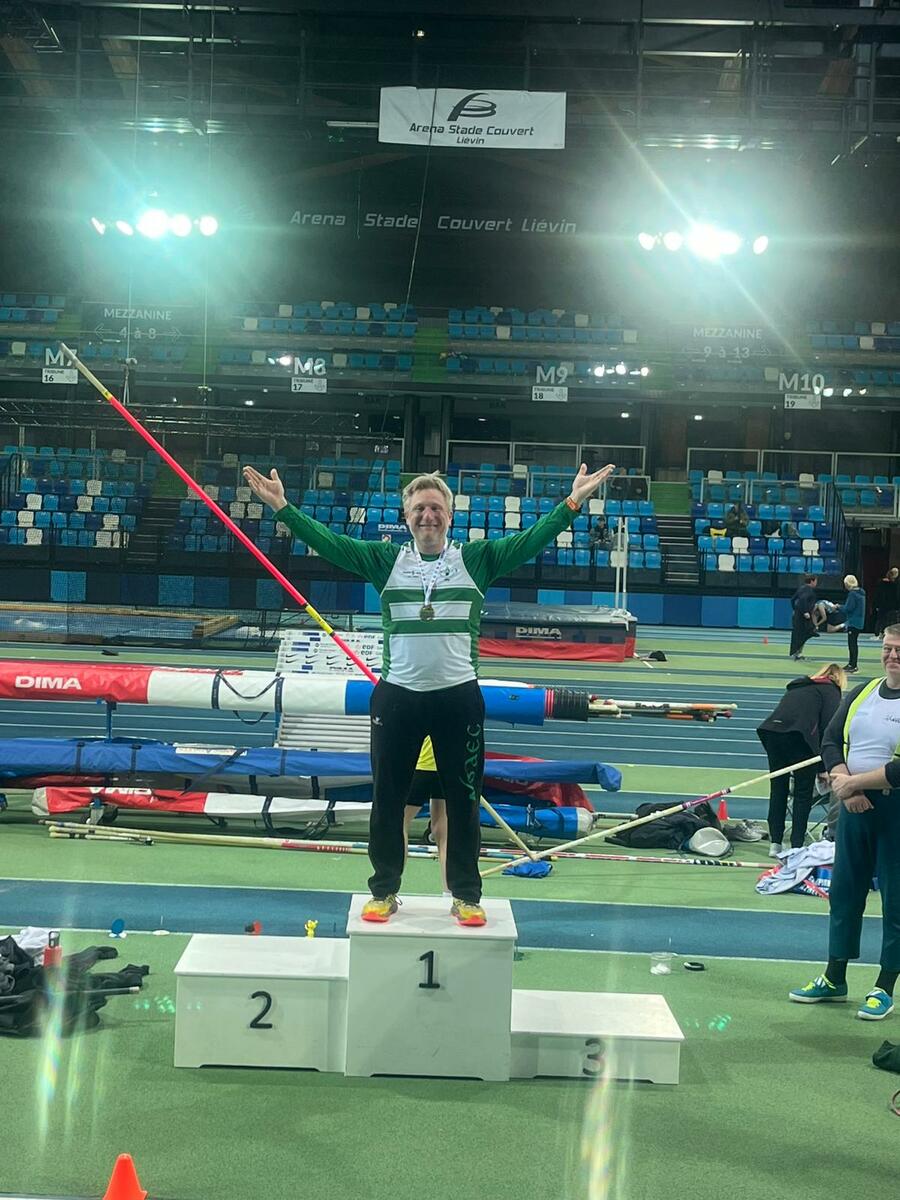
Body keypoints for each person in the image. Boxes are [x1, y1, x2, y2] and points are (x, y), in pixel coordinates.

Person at [243, 461, 614, 927]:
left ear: (450, 516)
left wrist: (572, 502)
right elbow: (330, 544)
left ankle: (466, 895)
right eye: (419, 508)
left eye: (436, 507)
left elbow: (531, 540)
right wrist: (282, 507)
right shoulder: (386, 561)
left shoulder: (476, 559)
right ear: (406, 516)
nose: (428, 515)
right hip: (397, 699)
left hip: (458, 700)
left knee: (463, 801)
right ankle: (384, 890)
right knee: (388, 800)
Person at [789, 625, 900, 1020]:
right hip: (854, 808)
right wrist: (846, 786)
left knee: (896, 901)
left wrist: (854, 783)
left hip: (895, 812)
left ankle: (884, 987)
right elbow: (830, 740)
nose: (892, 657)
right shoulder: (863, 692)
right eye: (888, 648)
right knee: (845, 893)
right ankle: (835, 977)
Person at [756, 663, 846, 857]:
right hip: (799, 738)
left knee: (778, 789)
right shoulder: (831, 691)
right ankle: (797, 844)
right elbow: (827, 727)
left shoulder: (799, 686)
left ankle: (775, 843)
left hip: (771, 732)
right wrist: (823, 768)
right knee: (803, 793)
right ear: (839, 679)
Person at [827, 574, 866, 674]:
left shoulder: (852, 594)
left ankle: (853, 665)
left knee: (852, 644)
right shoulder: (861, 592)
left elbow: (848, 608)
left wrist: (838, 606)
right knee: (854, 643)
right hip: (859, 622)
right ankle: (851, 664)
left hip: (853, 622)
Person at [789, 574, 818, 661]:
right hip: (803, 617)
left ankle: (797, 653)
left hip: (798, 615)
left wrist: (794, 609)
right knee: (804, 633)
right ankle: (797, 653)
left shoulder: (801, 588)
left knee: (798, 634)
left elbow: (792, 599)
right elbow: (803, 599)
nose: (816, 583)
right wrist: (805, 612)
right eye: (816, 581)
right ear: (812, 581)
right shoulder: (808, 590)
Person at [873, 567, 899, 639]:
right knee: (886, 620)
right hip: (889, 605)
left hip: (885, 605)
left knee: (882, 620)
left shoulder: (883, 583)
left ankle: (880, 634)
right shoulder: (894, 585)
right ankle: (880, 634)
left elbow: (877, 595)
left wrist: (876, 604)